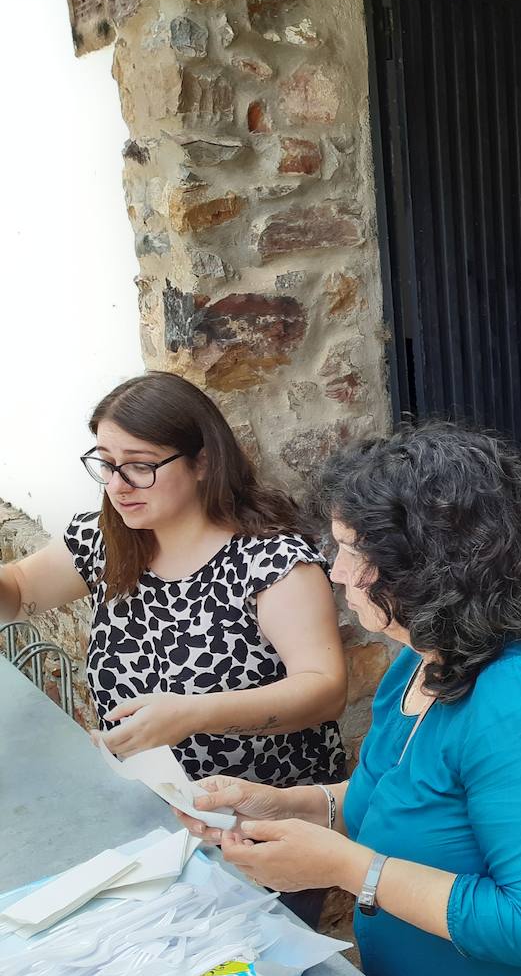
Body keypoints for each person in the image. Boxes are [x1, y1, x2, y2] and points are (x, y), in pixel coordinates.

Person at [178, 423, 521, 976]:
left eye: (352, 551)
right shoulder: (421, 659)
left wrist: (345, 869)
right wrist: (277, 806)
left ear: (428, 564)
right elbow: (386, 802)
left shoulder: (518, 705)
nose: (334, 571)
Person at [0, 372, 346, 922]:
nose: (118, 484)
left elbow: (324, 690)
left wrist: (193, 714)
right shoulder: (103, 538)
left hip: (256, 827)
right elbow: (18, 593)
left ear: (203, 461)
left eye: (140, 465)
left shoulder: (270, 559)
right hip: (150, 821)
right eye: (106, 463)